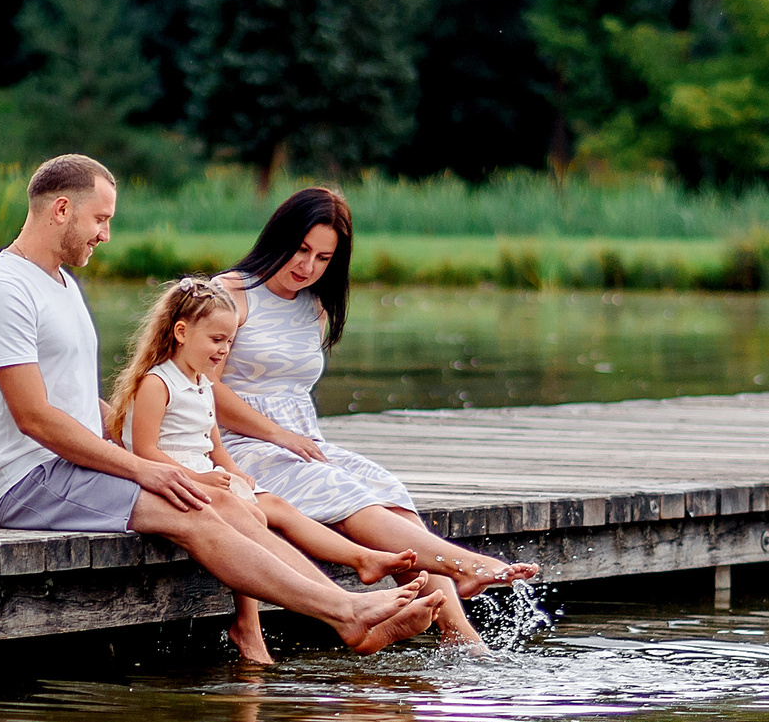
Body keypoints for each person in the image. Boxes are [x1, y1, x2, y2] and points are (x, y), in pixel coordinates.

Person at [0, 154, 440, 655]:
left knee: (229, 501)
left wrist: (148, 437)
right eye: (101, 219)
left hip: (74, 468)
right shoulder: (4, 290)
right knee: (192, 511)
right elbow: (34, 416)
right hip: (29, 481)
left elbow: (75, 403)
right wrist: (144, 469)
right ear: (61, 209)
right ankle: (347, 613)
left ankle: (345, 611)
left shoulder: (58, 283)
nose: (105, 235)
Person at [213, 185, 539, 645]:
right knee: (340, 489)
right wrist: (276, 435)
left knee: (387, 488)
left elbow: (291, 388)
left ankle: (458, 631)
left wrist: (293, 438)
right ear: (278, 238)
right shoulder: (229, 294)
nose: (307, 268)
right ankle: (461, 564)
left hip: (303, 443)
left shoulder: (314, 304)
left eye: (324, 258)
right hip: (235, 446)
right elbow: (202, 386)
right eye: (301, 250)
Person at [106, 276, 425, 664]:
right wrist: (202, 478)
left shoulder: (204, 384)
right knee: (250, 515)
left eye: (228, 341)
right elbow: (145, 451)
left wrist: (233, 473)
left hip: (202, 474)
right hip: (167, 479)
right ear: (181, 332)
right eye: (216, 340)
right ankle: (254, 626)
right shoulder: (158, 383)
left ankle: (360, 559)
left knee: (269, 507)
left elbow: (215, 446)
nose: (223, 350)